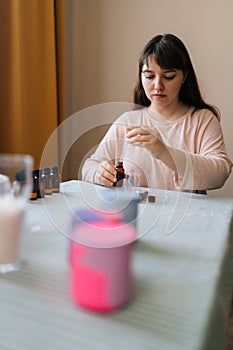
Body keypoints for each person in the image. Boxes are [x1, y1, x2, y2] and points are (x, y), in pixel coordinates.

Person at [82, 33, 232, 193]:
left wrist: (163, 152)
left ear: (184, 76)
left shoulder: (202, 120)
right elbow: (90, 166)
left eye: (168, 77)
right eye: (149, 76)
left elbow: (220, 173)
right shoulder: (128, 121)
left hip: (185, 216)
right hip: (137, 215)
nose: (158, 85)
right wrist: (99, 174)